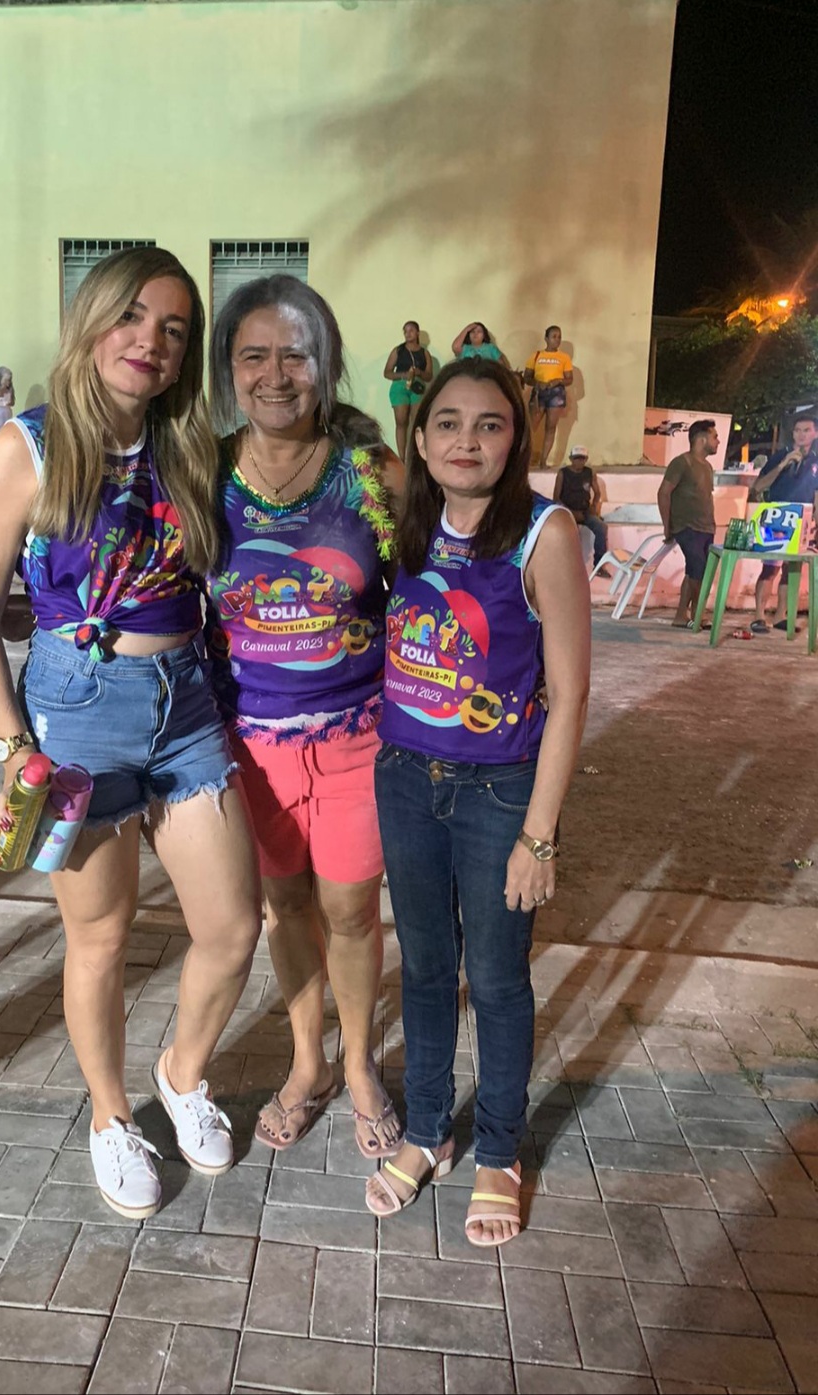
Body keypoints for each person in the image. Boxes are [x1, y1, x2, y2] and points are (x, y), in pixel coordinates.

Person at [0, 247, 261, 1221]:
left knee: (233, 926)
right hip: (77, 711)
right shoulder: (31, 447)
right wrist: (13, 748)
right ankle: (110, 1115)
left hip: (186, 705)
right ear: (90, 321)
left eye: (173, 329)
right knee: (101, 935)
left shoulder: (193, 448)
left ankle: (182, 1071)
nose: (150, 342)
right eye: (131, 317)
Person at [364, 357, 589, 1248]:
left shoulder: (544, 531)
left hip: (500, 791)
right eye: (448, 423)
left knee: (495, 978)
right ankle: (428, 1130)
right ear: (421, 440)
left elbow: (571, 694)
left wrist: (539, 834)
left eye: (490, 424)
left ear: (516, 438)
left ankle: (499, 1148)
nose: (467, 440)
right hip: (403, 777)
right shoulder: (410, 525)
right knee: (424, 968)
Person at [206, 275, 405, 1161]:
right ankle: (307, 1062)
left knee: (352, 909)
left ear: (326, 365)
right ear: (229, 369)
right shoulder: (203, 472)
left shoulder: (373, 474)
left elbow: (433, 588)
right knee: (285, 904)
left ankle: (359, 1064)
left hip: (361, 736)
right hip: (251, 745)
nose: (275, 375)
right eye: (254, 355)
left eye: (296, 355)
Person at [748, 414, 818, 633]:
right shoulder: (780, 455)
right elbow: (758, 487)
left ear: (815, 433)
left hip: (802, 520)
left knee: (791, 569)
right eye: (797, 430)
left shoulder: (815, 460)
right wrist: (783, 464)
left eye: (806, 430)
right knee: (770, 568)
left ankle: (781, 616)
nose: (801, 435)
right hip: (776, 518)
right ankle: (759, 616)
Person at [657, 418, 719, 628]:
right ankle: (698, 614)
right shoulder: (682, 463)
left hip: (706, 527)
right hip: (687, 526)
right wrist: (667, 526)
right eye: (714, 436)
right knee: (698, 570)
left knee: (694, 571)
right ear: (702, 439)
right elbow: (664, 493)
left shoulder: (707, 467)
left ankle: (681, 616)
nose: (718, 441)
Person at [522, 326, 573, 468]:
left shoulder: (564, 357)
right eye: (553, 336)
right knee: (530, 427)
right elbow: (527, 377)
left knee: (550, 427)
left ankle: (543, 461)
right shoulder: (536, 355)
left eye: (559, 337)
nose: (557, 340)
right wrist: (538, 383)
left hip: (556, 393)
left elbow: (569, 379)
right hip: (539, 392)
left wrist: (558, 381)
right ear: (546, 338)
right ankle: (524, 460)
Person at [383, 321, 434, 461]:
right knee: (401, 422)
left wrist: (419, 372)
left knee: (417, 422)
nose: (408, 333)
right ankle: (402, 458)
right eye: (405, 331)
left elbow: (429, 376)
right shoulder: (398, 350)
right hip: (400, 387)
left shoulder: (425, 353)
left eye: (411, 330)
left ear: (417, 333)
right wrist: (403, 375)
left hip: (417, 387)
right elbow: (387, 372)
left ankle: (415, 457)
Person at [553, 444, 607, 566]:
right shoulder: (563, 473)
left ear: (586, 459)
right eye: (576, 458)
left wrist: (594, 506)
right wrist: (570, 512)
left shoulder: (589, 472)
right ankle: (563, 564)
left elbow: (597, 493)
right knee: (568, 533)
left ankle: (599, 565)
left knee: (601, 528)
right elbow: (556, 498)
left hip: (584, 510)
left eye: (582, 459)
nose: (579, 462)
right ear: (571, 459)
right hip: (567, 511)